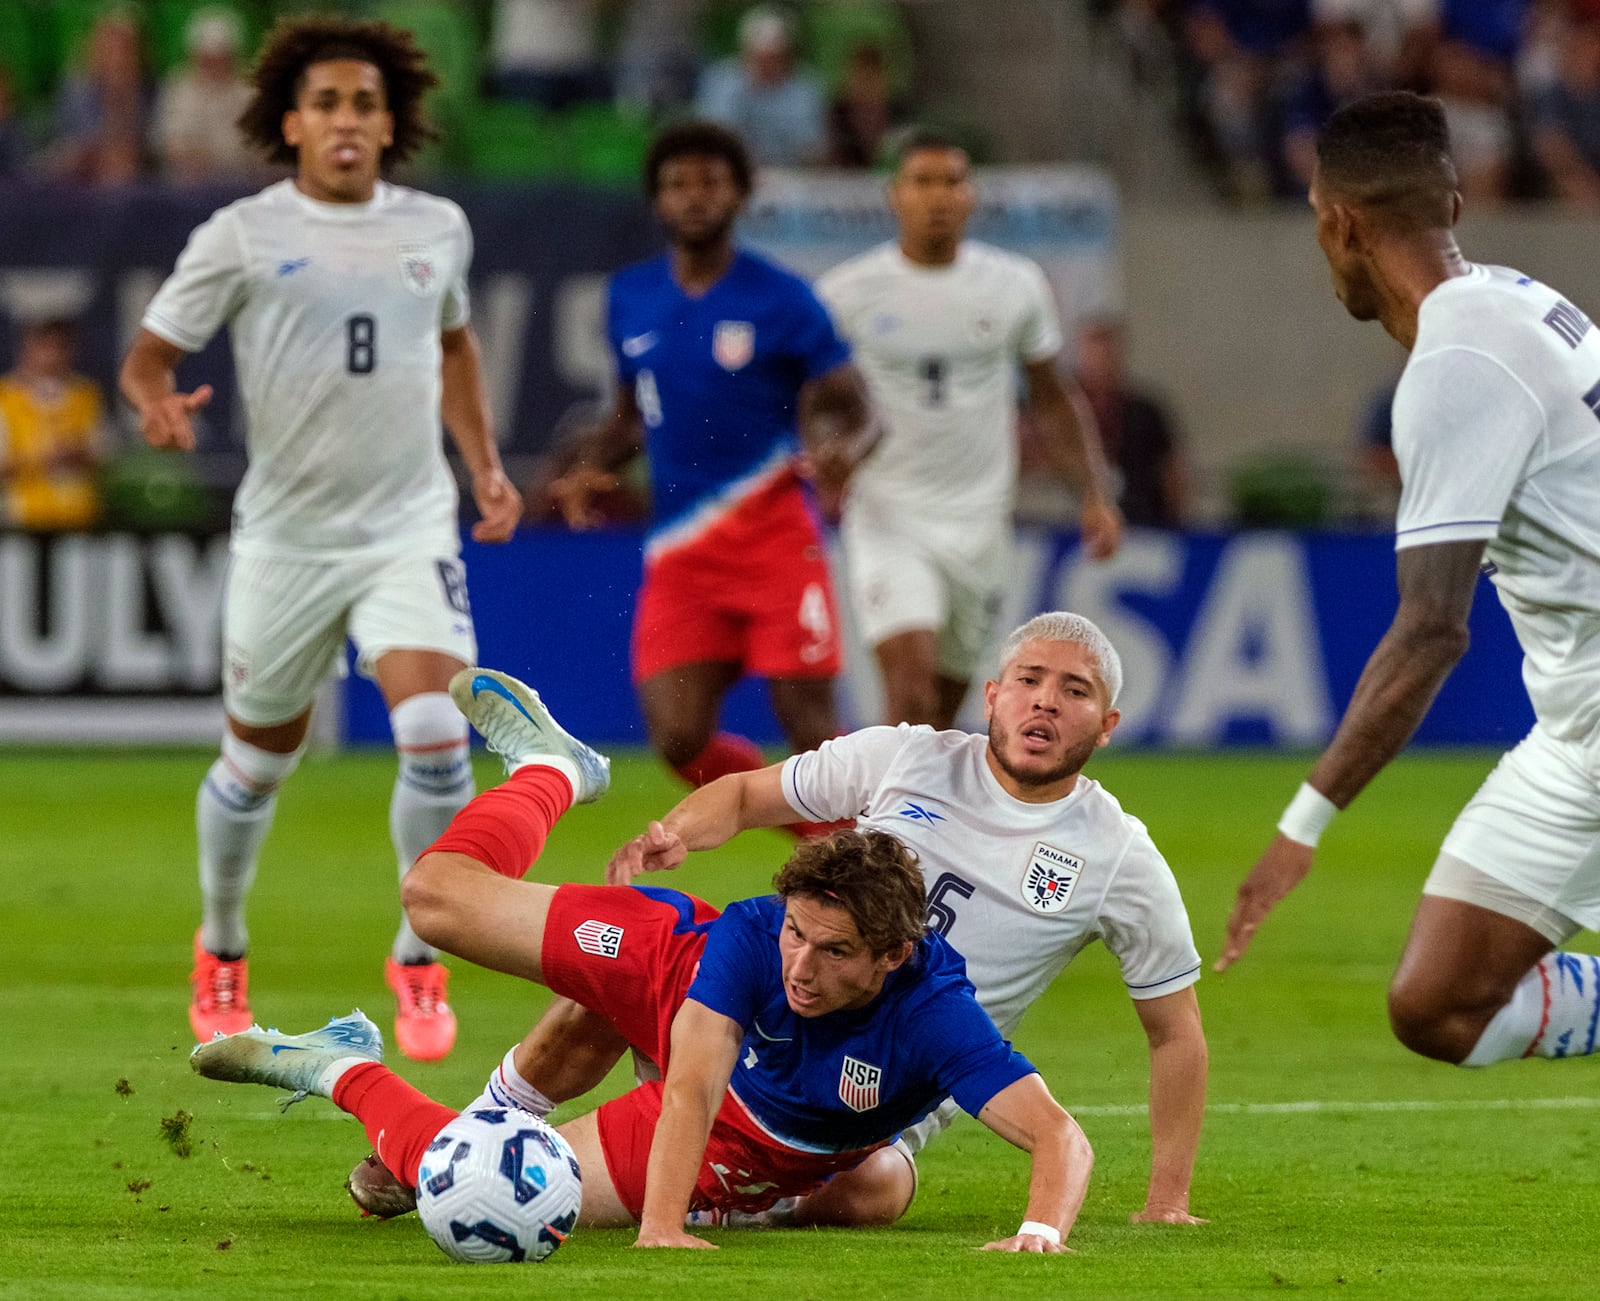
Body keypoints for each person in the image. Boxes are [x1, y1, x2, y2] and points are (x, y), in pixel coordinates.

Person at [192, 666, 1094, 1252]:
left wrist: (1040, 1234)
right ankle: (555, 768)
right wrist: (662, 1227)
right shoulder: (752, 936)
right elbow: (694, 1073)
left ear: (895, 957)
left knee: (482, 1194)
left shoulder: (935, 1012)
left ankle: (339, 1067)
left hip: (754, 1124)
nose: (803, 965)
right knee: (433, 897)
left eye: (834, 953)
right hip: (681, 966)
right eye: (798, 933)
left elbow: (1057, 1133)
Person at [351, 613, 1205, 1228]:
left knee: (869, 1194)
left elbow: (1176, 1034)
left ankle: (688, 1180)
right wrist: (672, 833)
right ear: (992, 692)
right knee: (445, 905)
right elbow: (754, 792)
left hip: (878, 1089)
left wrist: (1167, 1199)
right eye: (1028, 680)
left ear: (1108, 722)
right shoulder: (906, 756)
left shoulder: (1117, 856)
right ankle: (552, 774)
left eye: (1074, 691)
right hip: (766, 988)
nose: (1044, 704)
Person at [118, 16, 523, 1061]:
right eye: (329, 104)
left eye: (365, 105)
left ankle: (417, 951)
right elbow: (148, 356)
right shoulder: (241, 233)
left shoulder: (436, 226)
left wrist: (480, 462)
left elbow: (455, 347)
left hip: (405, 523)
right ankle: (221, 942)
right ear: (291, 123)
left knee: (436, 734)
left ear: (390, 126)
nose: (347, 121)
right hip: (287, 537)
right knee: (256, 761)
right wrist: (156, 404)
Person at [1218, 92, 1600, 1076]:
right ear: (1455, 202)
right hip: (1575, 728)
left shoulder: (1457, 360)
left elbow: (1432, 628)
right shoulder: (1511, 298)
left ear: (1338, 222)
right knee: (1437, 1005)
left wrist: (1301, 823)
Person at [540, 119, 874, 813]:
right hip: (683, 554)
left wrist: (846, 450)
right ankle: (833, 841)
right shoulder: (630, 296)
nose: (694, 197)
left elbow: (859, 406)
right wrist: (591, 463)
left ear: (741, 195)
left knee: (811, 729)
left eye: (710, 182)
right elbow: (634, 417)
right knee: (677, 739)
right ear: (657, 200)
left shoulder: (783, 298)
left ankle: (862, 872)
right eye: (677, 184)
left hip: (777, 537)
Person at [815, 133, 1123, 730]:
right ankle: (885, 826)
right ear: (894, 195)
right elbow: (814, 399)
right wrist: (828, 452)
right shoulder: (845, 293)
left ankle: (904, 820)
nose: (938, 196)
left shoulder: (1014, 285)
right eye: (922, 182)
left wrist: (1094, 493)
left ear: (971, 195)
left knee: (937, 719)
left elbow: (1055, 400)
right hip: (888, 516)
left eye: (952, 182)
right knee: (907, 693)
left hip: (980, 525)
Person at [1075, 317, 1188, 529]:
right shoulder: (1071, 411)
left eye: (1105, 357)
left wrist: (1176, 519)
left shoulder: (1144, 410)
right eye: (1091, 357)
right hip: (1082, 519)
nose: (1098, 365)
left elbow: (1171, 469)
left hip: (1144, 519)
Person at [0, 317, 109, 530]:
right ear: (26, 349)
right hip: (21, 522)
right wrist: (41, 458)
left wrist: (77, 453)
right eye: (45, 347)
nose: (52, 355)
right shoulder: (5, 397)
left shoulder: (86, 395)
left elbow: (105, 457)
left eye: (60, 347)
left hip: (79, 520)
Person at [696, 5, 827, 168]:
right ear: (745, 51)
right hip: (735, 172)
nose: (768, 64)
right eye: (761, 56)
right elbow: (717, 136)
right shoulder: (723, 81)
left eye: (776, 57)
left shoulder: (806, 87)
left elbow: (813, 145)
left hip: (792, 176)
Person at [151, 6, 260, 183]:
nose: (214, 63)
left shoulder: (248, 92)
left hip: (241, 188)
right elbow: (176, 149)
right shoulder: (178, 89)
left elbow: (259, 152)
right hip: (188, 191)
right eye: (207, 56)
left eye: (221, 56)